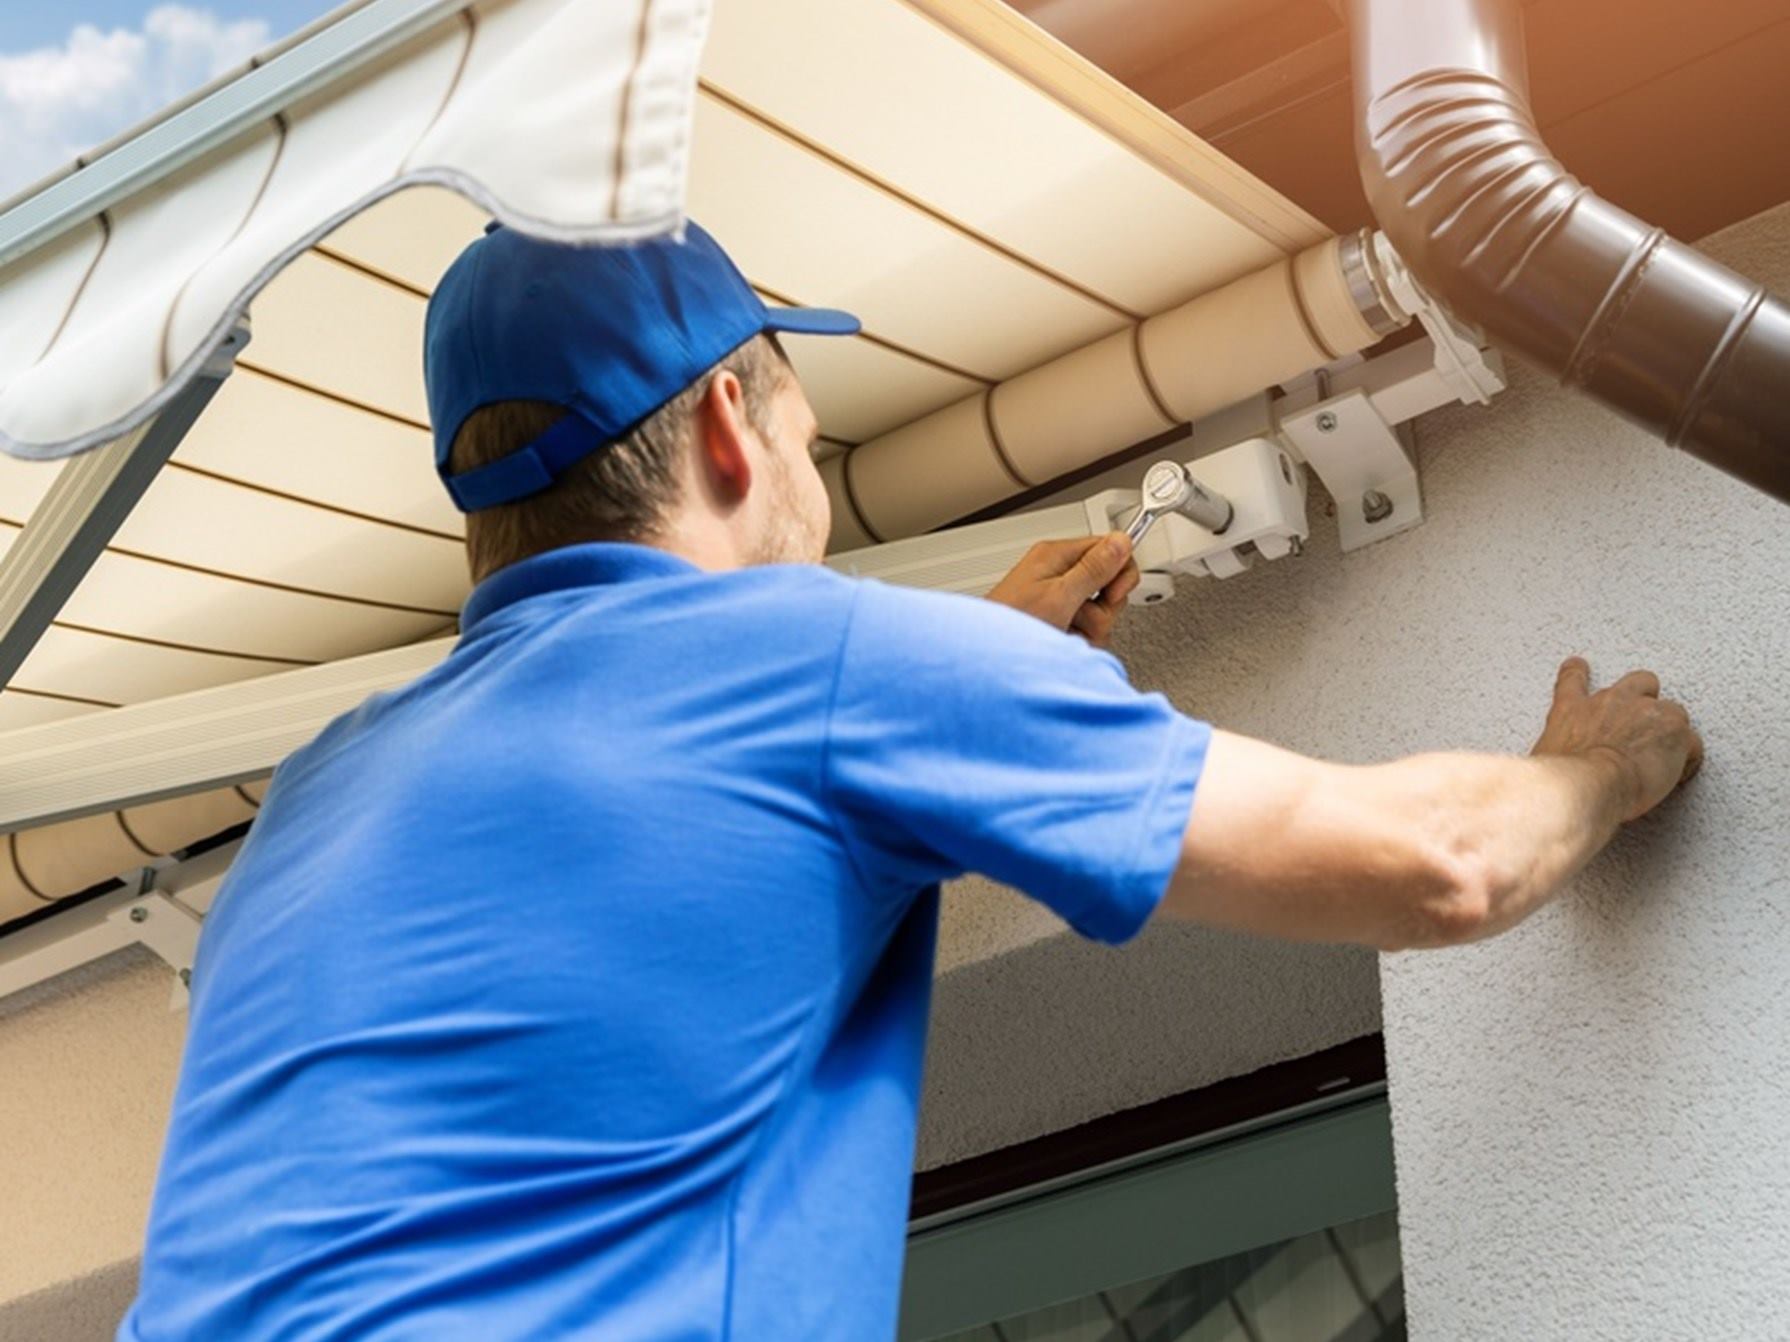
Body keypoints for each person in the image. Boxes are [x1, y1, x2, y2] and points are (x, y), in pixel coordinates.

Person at [121, 222, 1702, 1341]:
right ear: (735, 425)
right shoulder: (826, 669)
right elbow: (1436, 865)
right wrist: (1593, 771)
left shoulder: (320, 795)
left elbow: (667, 899)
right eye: (811, 426)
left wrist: (947, 693)